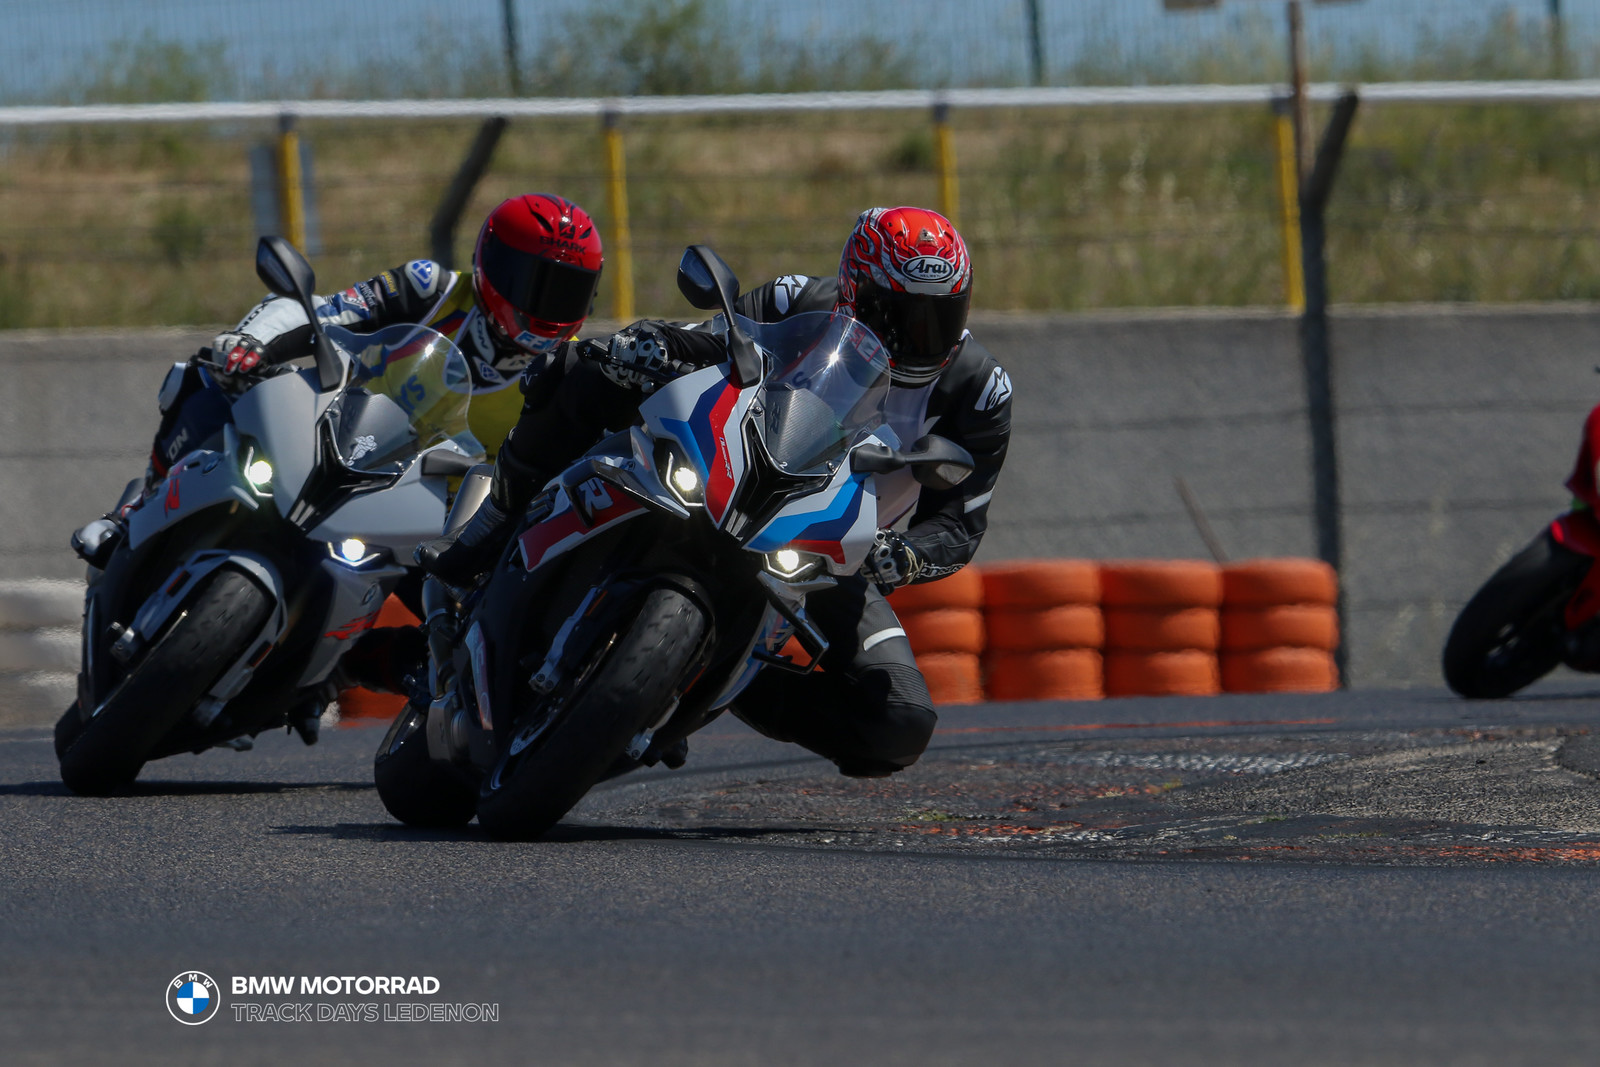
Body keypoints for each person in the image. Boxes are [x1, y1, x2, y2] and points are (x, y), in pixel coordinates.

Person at [420, 206, 1012, 778]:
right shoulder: (794, 301)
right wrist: (647, 346)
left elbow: (960, 522)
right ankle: (499, 514)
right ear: (855, 291)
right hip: (727, 465)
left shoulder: (979, 391)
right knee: (583, 368)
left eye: (941, 315)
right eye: (902, 314)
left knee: (900, 721)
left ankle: (693, 691)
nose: (922, 337)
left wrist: (904, 554)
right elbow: (710, 343)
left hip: (829, 548)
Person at [144, 193, 603, 693]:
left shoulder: (568, 377)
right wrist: (252, 342)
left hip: (428, 517)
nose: (548, 306)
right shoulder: (432, 290)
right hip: (331, 436)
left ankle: (349, 670)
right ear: (492, 268)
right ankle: (139, 506)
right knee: (208, 378)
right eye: (536, 284)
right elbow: (326, 313)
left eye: (568, 292)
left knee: (475, 630)